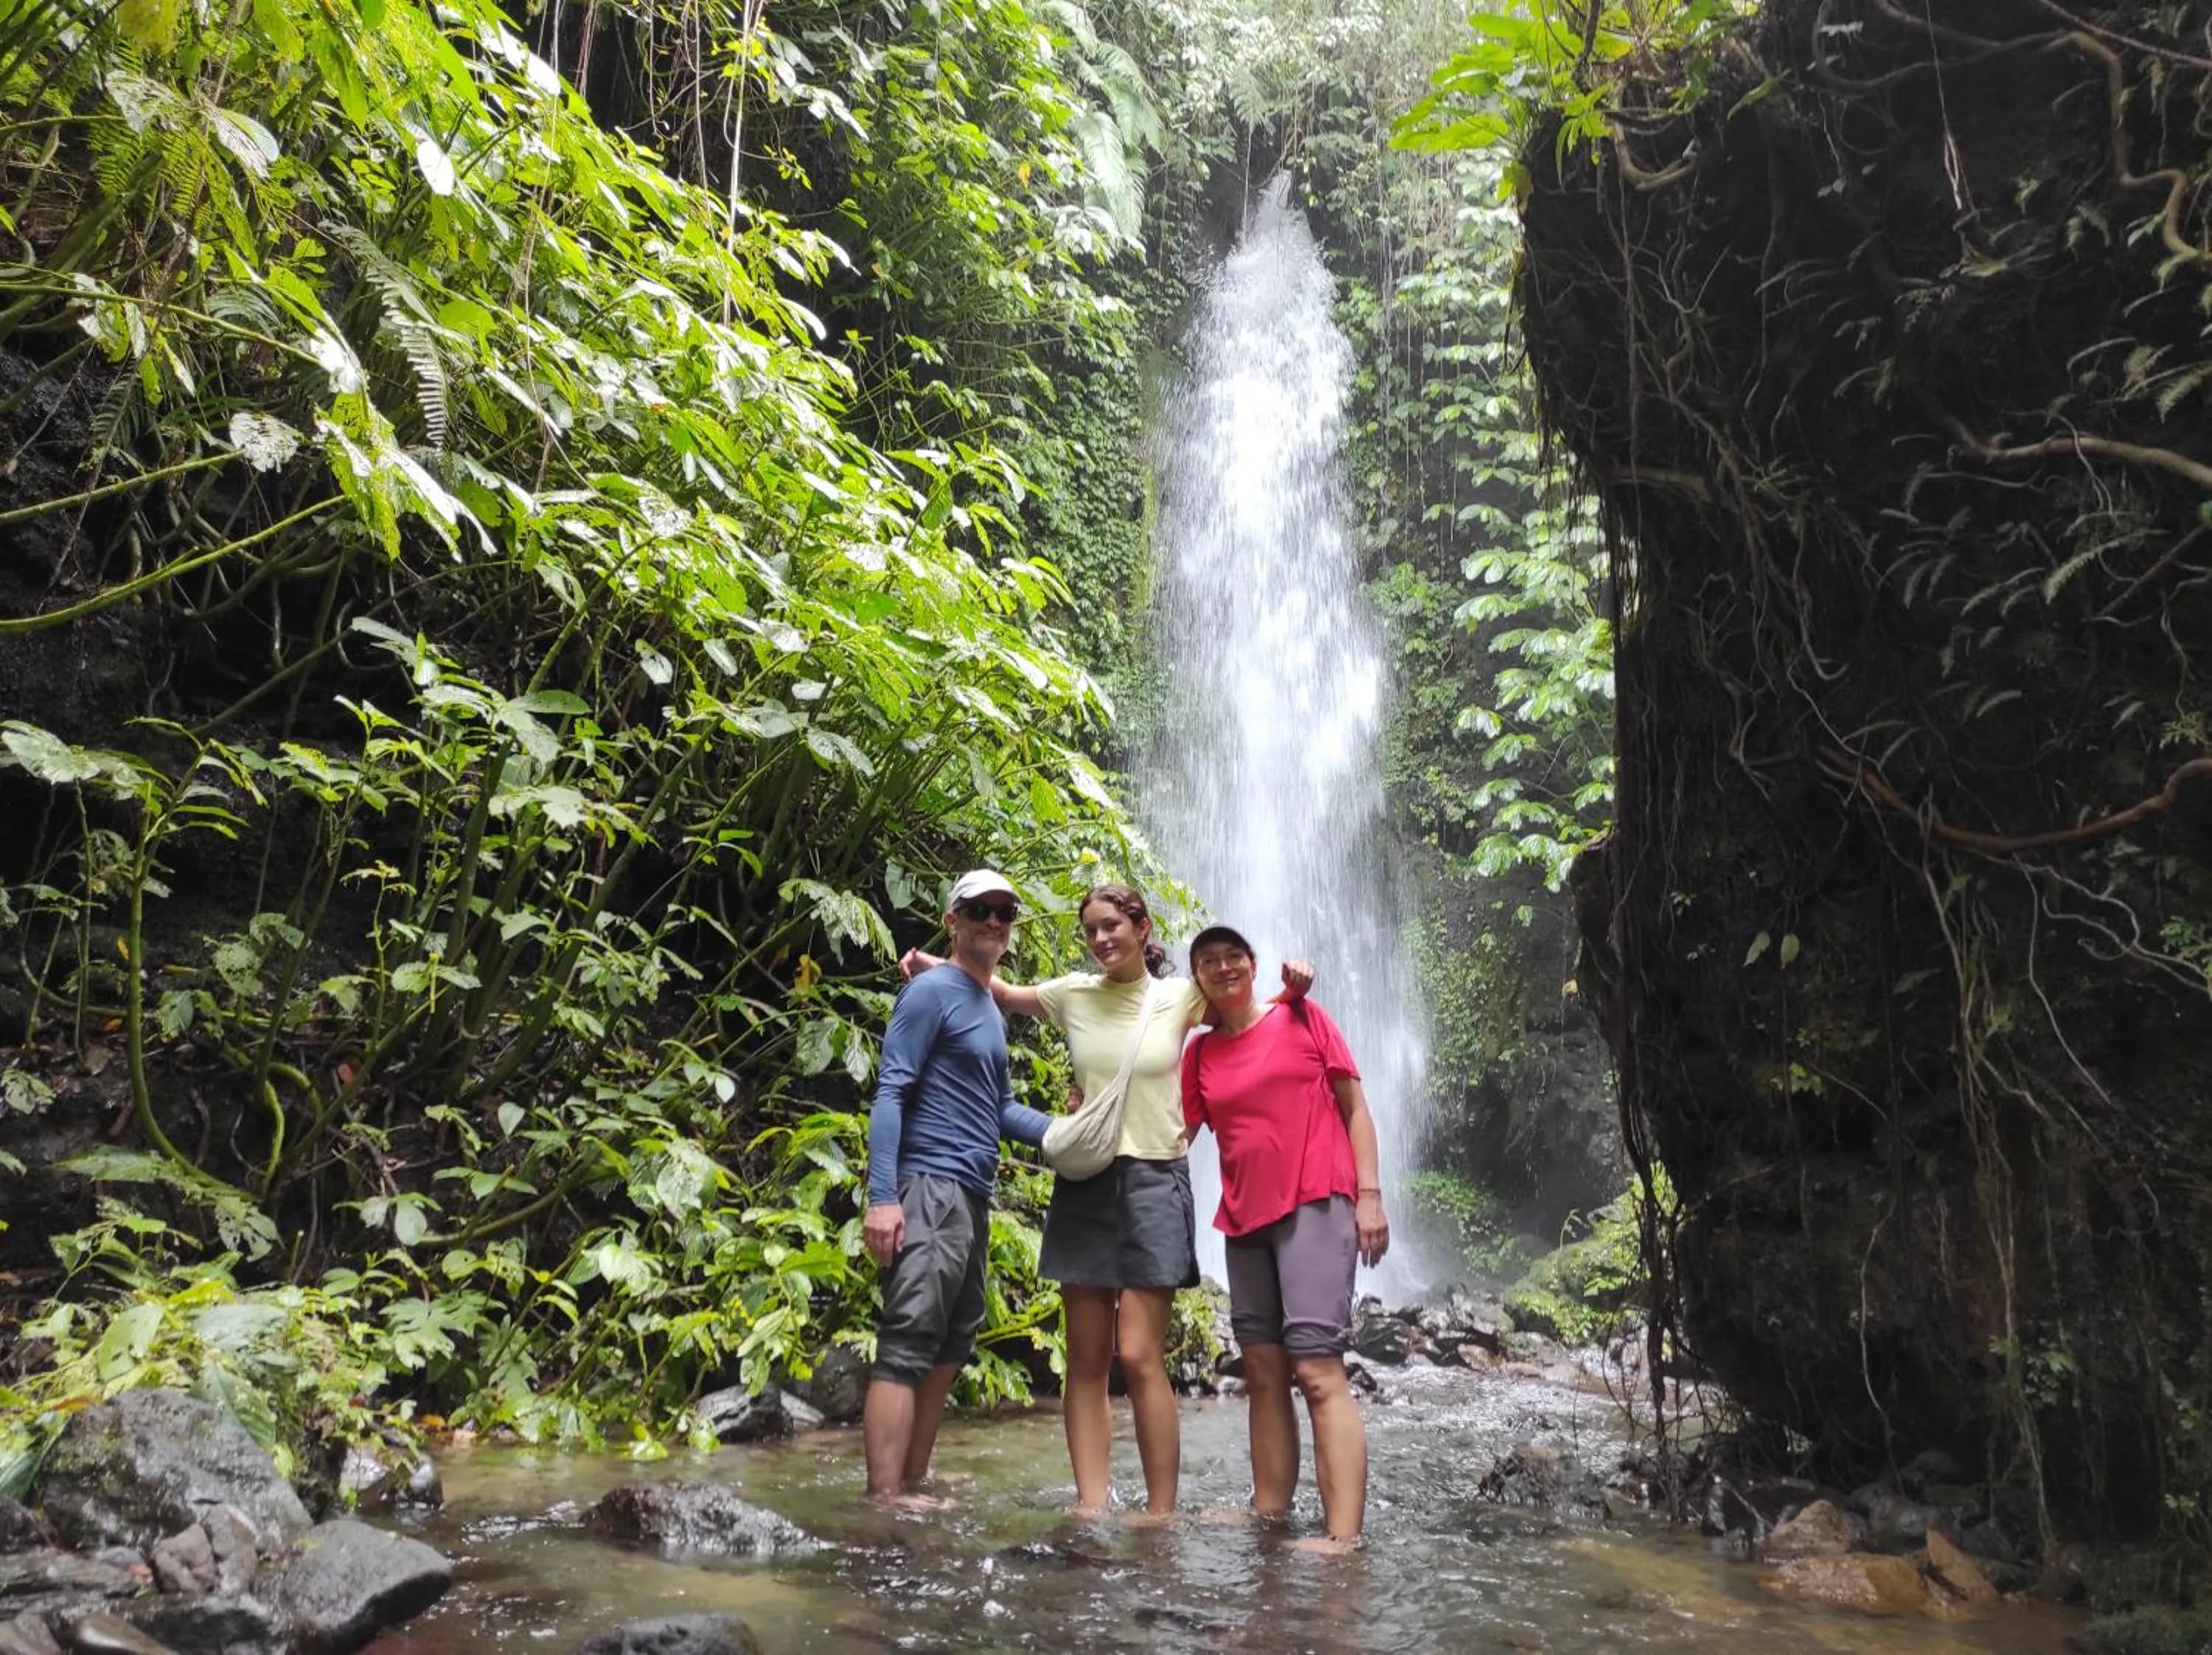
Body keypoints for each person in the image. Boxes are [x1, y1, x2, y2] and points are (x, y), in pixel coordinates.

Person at [900, 884, 1310, 1517]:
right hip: (1087, 1181)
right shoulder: (1071, 995)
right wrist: (931, 965)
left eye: (1112, 926)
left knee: (1141, 1354)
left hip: (1155, 1178)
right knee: (1086, 1358)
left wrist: (1294, 992)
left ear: (1143, 928)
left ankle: (1159, 1510)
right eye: (1090, 929)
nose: (1100, 940)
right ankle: (1092, 1502)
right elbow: (997, 991)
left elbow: (1243, 1011)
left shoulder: (1181, 996)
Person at [1180, 922, 1389, 1548]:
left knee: (1319, 1369)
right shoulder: (1199, 1053)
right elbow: (1169, 1136)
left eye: (1232, 957)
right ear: (1197, 980)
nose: (1222, 969)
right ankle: (1270, 1513)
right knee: (1265, 1372)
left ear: (1253, 963)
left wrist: (1371, 1197)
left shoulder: (1302, 1017)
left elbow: (1355, 1108)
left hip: (1316, 1200)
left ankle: (1341, 1537)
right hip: (1244, 1219)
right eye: (1208, 962)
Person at [861, 869, 1053, 1505]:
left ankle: (911, 1483)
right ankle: (885, 1498)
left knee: (951, 1340)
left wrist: (1072, 1132)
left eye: (1005, 913)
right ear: (953, 921)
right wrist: (883, 1198)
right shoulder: (931, 993)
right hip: (928, 1183)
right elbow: (892, 1090)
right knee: (912, 1335)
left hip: (970, 1194)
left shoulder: (986, 1007)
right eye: (981, 911)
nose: (995, 922)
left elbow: (1001, 1110)